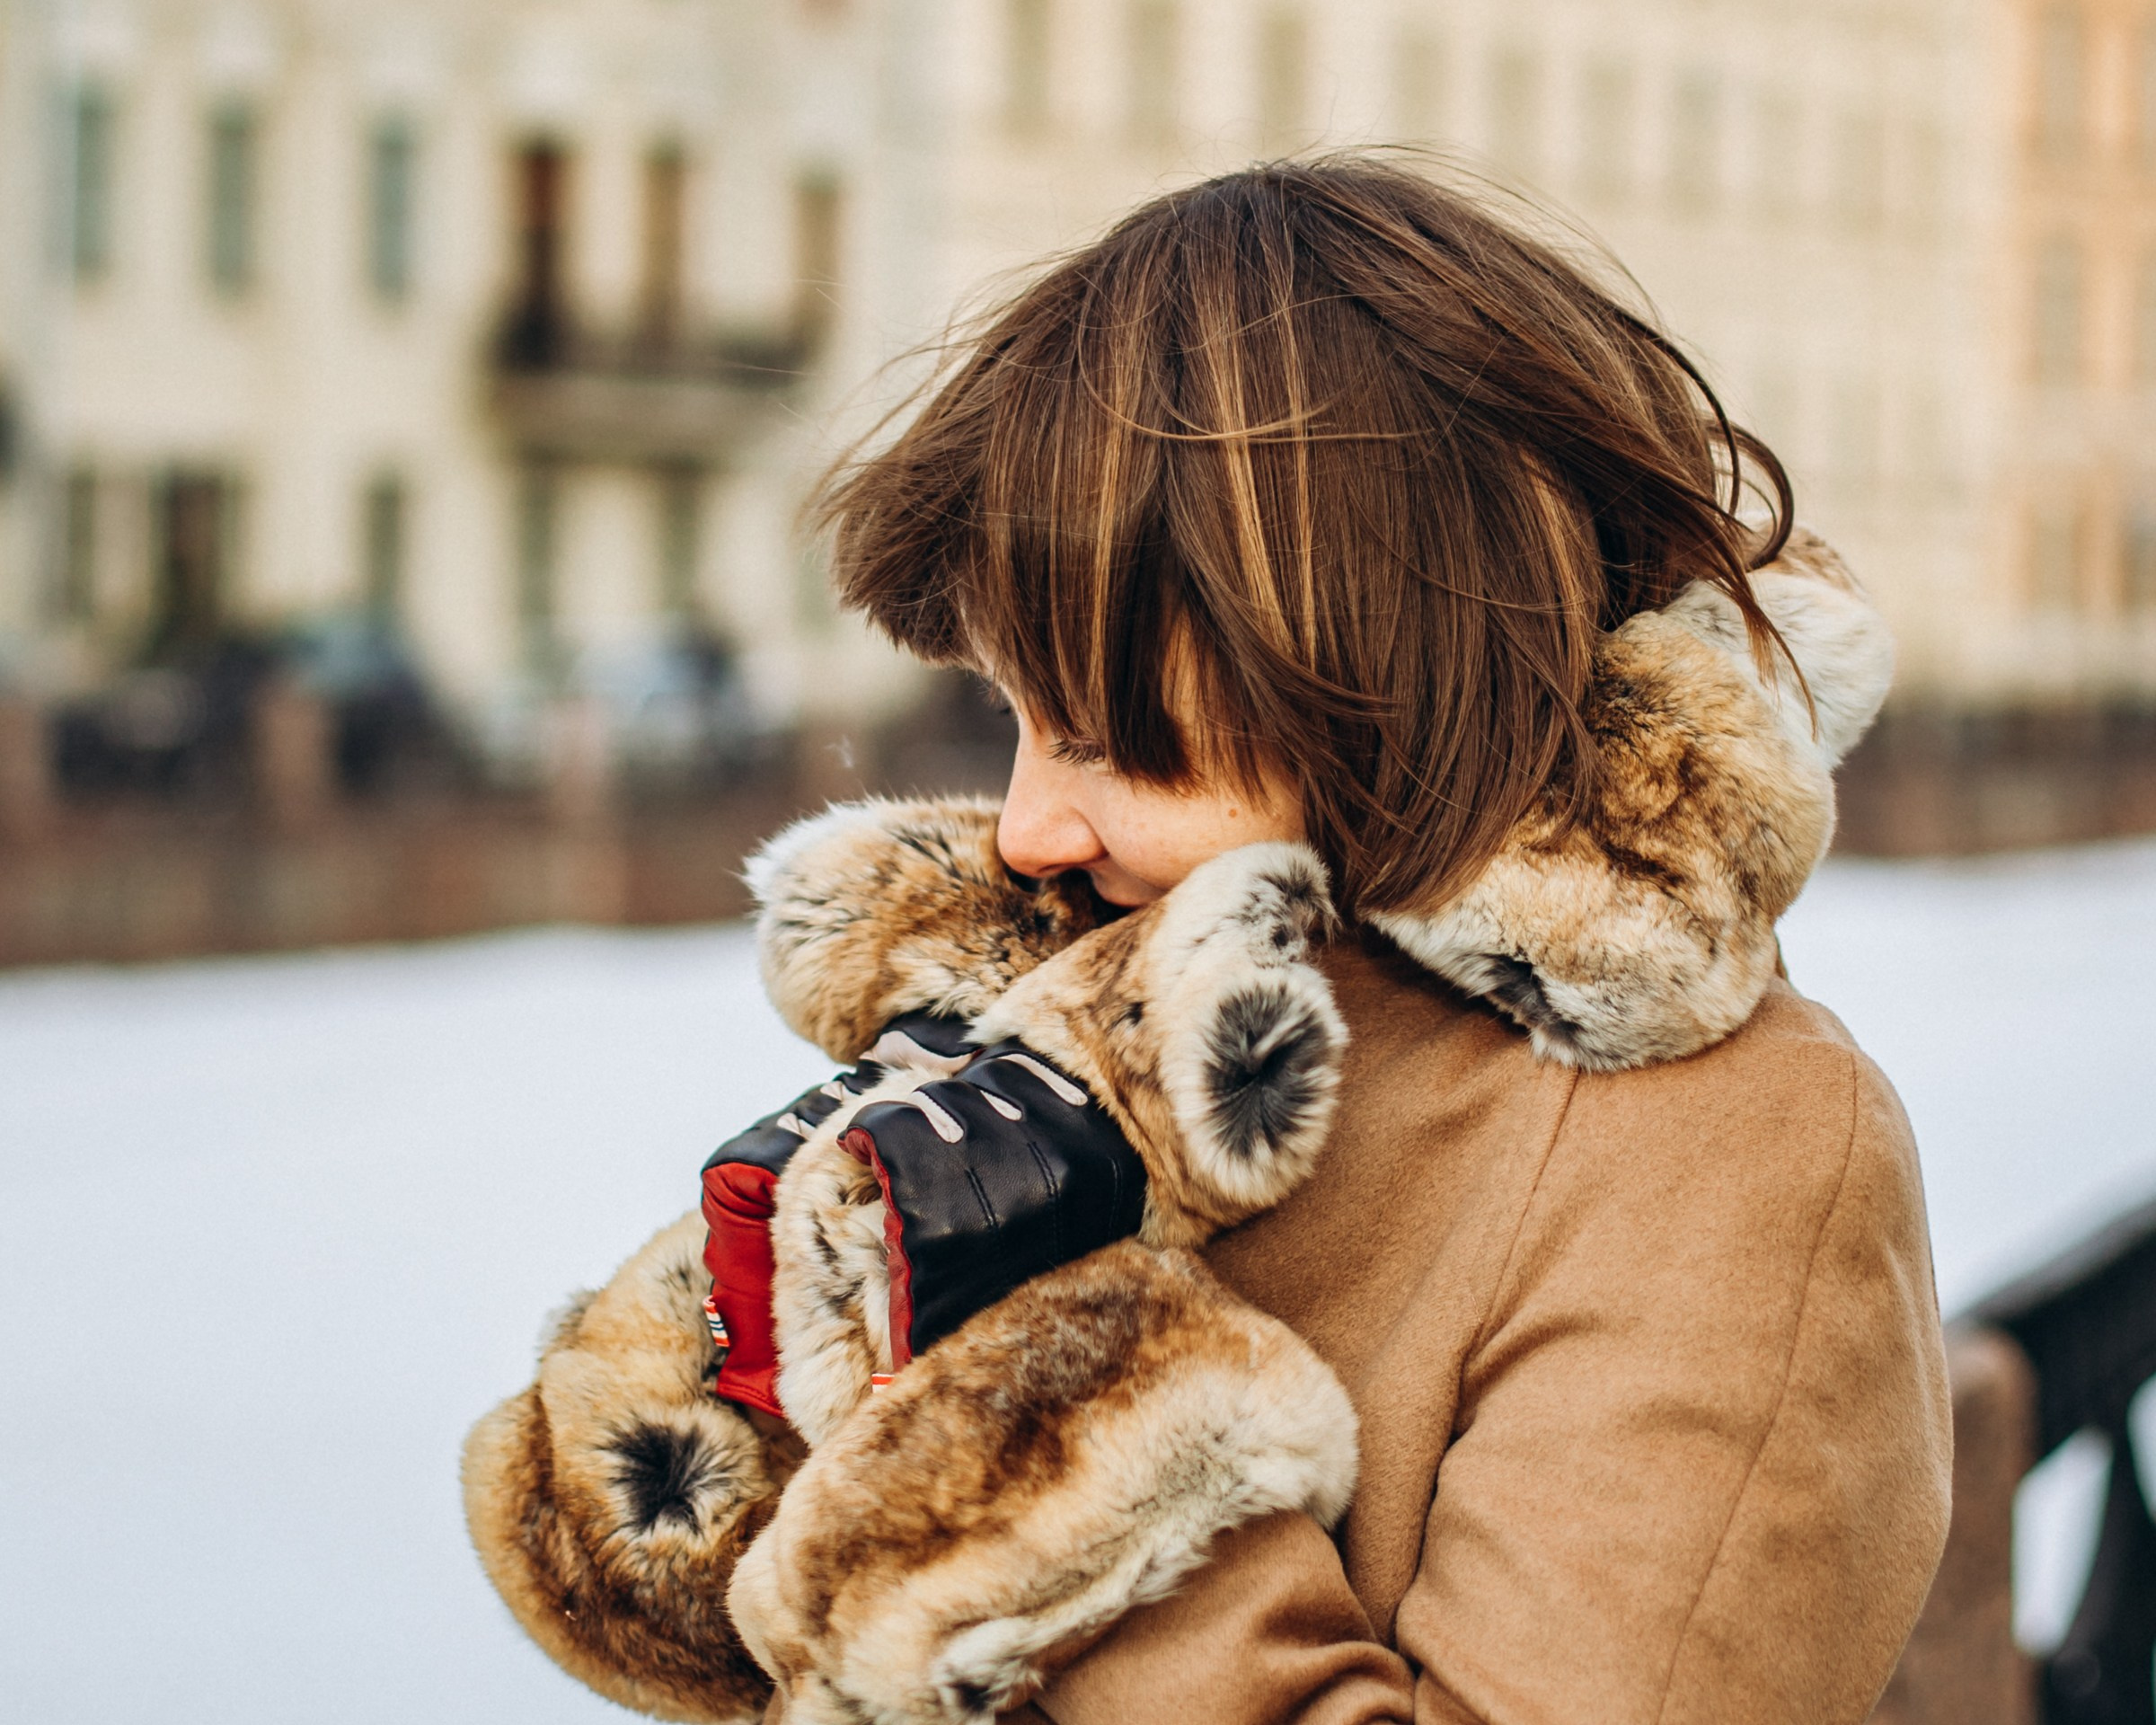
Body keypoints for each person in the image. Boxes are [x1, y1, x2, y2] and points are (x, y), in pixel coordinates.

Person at [469, 155, 1949, 1725]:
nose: (1028, 823)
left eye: (1120, 736)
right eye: (1015, 715)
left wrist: (1051, 1428)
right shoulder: (1085, 1007)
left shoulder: (1738, 1161)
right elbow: (682, 1618)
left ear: (1380, 680)